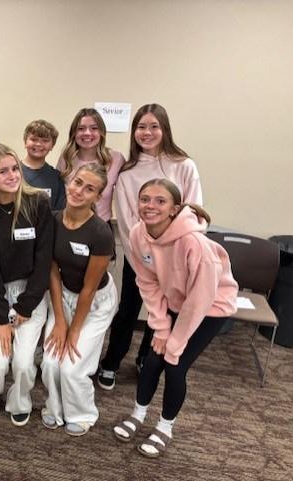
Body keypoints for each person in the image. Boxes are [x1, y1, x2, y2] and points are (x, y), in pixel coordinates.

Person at [112, 178, 237, 457]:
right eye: (145, 199)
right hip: (175, 301)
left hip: (210, 307)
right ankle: (138, 415)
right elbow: (147, 282)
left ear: (174, 209)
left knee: (174, 364)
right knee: (152, 359)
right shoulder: (138, 233)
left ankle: (165, 427)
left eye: (160, 201)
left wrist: (176, 340)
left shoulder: (194, 243)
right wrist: (160, 327)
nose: (150, 206)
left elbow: (199, 300)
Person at [98, 103, 203, 390]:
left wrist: (175, 254)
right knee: (128, 310)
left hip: (175, 259)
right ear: (134, 132)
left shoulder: (184, 165)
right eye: (141, 127)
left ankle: (146, 357)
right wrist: (142, 258)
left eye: (154, 126)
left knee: (164, 311)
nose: (147, 132)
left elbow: (193, 211)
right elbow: (127, 222)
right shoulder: (128, 173)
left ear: (164, 129)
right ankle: (112, 362)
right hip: (139, 258)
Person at [0, 144, 54, 427]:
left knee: (24, 364)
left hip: (32, 292)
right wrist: (2, 318)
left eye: (15, 168)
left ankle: (20, 400)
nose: (13, 175)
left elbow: (44, 261)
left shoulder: (38, 203)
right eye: (3, 171)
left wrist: (25, 307)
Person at [40, 164, 118, 436]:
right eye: (77, 183)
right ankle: (54, 408)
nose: (79, 191)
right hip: (62, 296)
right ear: (69, 182)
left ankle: (83, 413)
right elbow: (52, 272)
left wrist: (73, 330)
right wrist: (60, 322)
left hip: (95, 303)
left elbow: (89, 288)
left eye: (89, 189)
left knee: (72, 367)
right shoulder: (52, 220)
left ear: (98, 197)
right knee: (50, 363)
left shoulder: (101, 233)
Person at [56, 107, 125, 222]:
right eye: (81, 128)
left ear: (101, 132)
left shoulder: (116, 159)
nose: (87, 133)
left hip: (102, 225)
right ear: (74, 133)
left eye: (94, 128)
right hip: (70, 224)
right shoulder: (66, 159)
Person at [20, 119, 64, 210]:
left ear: (52, 146)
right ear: (25, 142)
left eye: (45, 141)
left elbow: (59, 211)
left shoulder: (57, 177)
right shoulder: (14, 172)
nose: (39, 144)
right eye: (33, 139)